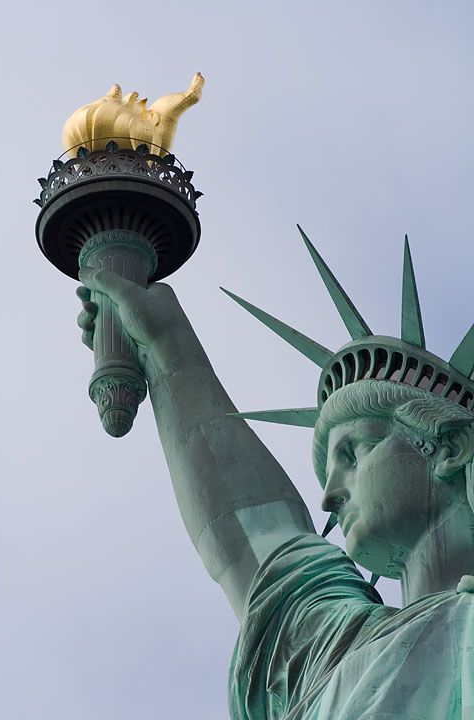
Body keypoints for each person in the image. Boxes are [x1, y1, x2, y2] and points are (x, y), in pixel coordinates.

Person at [76, 239, 474, 719]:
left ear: (450, 447)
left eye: (354, 451)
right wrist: (164, 348)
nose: (328, 496)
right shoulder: (341, 659)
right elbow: (260, 545)